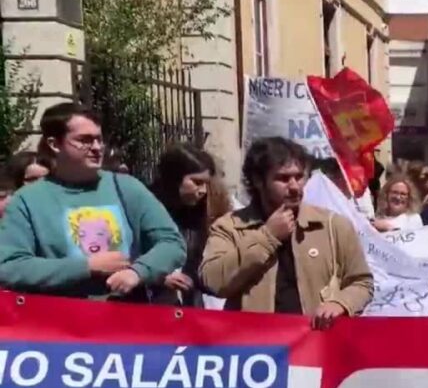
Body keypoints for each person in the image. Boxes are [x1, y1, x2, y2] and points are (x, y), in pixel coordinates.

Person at [0, 103, 186, 300]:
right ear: (55, 144)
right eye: (84, 140)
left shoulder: (127, 188)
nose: (97, 148)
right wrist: (86, 267)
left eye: (99, 139)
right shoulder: (28, 200)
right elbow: (9, 266)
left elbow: (172, 243)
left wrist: (138, 272)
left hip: (129, 321)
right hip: (61, 324)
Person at [200, 137, 373, 327]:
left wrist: (341, 303)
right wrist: (267, 237)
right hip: (254, 347)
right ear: (258, 181)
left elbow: (361, 282)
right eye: (283, 178)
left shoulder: (332, 225)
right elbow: (213, 281)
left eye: (299, 177)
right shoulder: (230, 226)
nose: (294, 187)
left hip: (314, 344)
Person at [150, 144, 231, 307]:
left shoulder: (202, 212)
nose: (203, 191)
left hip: (190, 305)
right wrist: (157, 277)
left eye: (206, 183)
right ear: (175, 178)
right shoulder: (145, 207)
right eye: (197, 182)